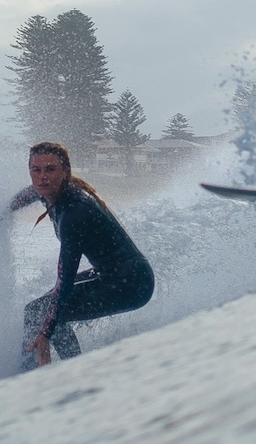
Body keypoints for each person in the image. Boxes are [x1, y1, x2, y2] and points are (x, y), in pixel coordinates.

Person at [9, 142, 154, 368]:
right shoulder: (49, 191)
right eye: (35, 170)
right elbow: (27, 195)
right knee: (45, 308)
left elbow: (65, 280)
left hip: (132, 284)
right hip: (113, 275)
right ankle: (56, 367)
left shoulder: (74, 212)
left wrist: (46, 333)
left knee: (44, 310)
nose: (42, 177)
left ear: (65, 171)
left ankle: (31, 373)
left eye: (50, 169)